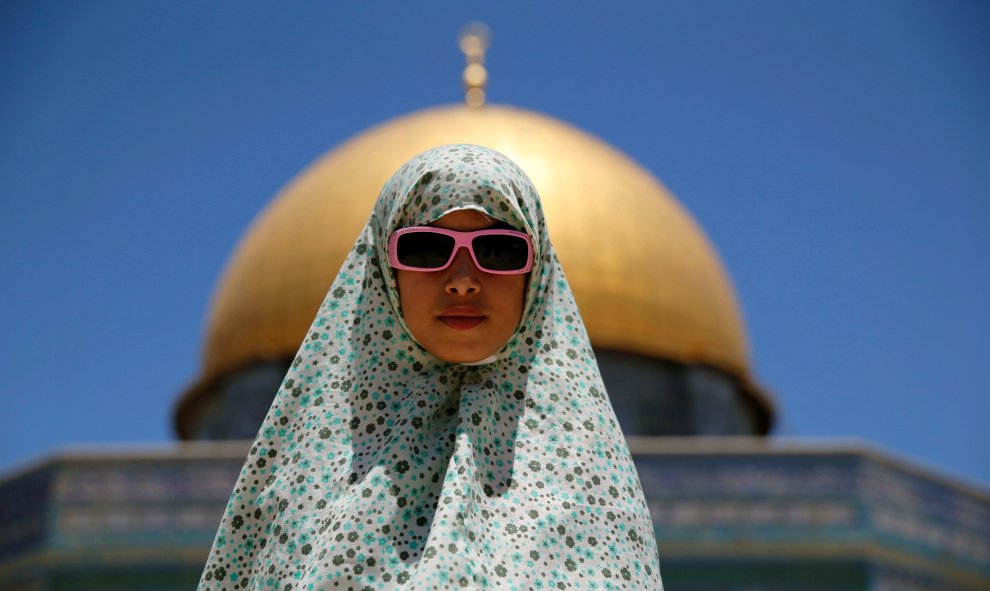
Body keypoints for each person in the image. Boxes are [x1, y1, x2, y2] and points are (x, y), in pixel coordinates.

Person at [198, 144, 663, 590]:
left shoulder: (598, 498)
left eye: (499, 251)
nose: (463, 281)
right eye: (426, 249)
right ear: (384, 269)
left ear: (536, 274)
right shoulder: (299, 493)